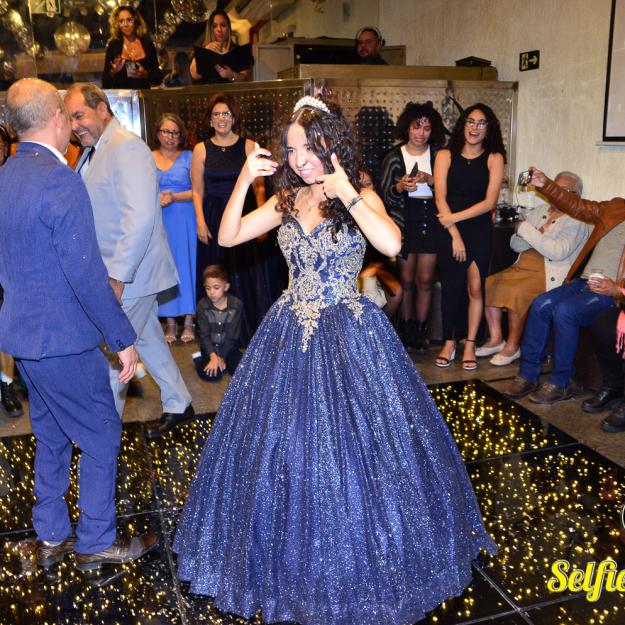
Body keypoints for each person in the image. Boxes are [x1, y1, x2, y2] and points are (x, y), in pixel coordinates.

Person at [174, 96, 496, 625]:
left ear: (332, 144)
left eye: (309, 147)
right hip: (289, 329)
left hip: (349, 331)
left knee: (361, 450)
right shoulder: (287, 197)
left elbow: (390, 243)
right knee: (283, 448)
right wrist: (245, 180)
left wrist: (346, 189)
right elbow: (229, 235)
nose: (300, 159)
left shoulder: (357, 191)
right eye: (292, 150)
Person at [0, 77, 157, 569]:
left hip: (24, 340)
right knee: (101, 435)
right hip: (64, 341)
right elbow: (87, 274)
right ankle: (95, 542)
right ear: (56, 120)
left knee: (50, 434)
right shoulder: (60, 180)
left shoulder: (6, 175)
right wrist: (122, 338)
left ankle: (50, 534)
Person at [64, 83, 194, 438]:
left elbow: (139, 218)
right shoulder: (93, 150)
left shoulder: (127, 148)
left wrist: (118, 277)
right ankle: (179, 402)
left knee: (114, 350)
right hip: (118, 272)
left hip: (131, 274)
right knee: (147, 337)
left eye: (79, 115)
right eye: (69, 118)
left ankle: (102, 433)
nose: (74, 125)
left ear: (102, 108)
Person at [504, 166, 625, 405]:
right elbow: (577, 206)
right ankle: (528, 375)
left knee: (565, 311)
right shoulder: (616, 207)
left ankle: (560, 382)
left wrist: (618, 289)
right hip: (583, 280)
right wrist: (546, 185)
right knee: (540, 304)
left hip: (609, 291)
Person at [477, 171, 589, 366]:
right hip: (523, 265)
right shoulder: (540, 211)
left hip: (548, 272)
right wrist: (532, 234)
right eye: (553, 187)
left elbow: (558, 252)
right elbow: (515, 244)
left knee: (517, 292)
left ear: (575, 195)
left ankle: (513, 346)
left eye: (562, 190)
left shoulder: (576, 219)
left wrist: (528, 232)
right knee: (489, 283)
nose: (554, 192)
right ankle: (496, 338)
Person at [191, 92, 274, 342]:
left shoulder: (249, 146)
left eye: (226, 113)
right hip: (214, 217)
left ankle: (249, 332)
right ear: (210, 120)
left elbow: (259, 188)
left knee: (247, 275)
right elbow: (197, 190)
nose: (221, 118)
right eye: (216, 114)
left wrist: (262, 222)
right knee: (216, 273)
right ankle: (216, 337)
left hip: (243, 216)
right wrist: (200, 221)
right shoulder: (201, 149)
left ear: (233, 117)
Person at [434, 103, 506, 370]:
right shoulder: (445, 155)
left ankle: (470, 344)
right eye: (470, 121)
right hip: (449, 230)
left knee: (475, 288)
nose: (475, 127)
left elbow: (489, 203)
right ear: (463, 124)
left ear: (489, 129)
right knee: (451, 287)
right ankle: (449, 342)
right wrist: (454, 232)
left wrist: (455, 218)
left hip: (478, 229)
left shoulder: (494, 158)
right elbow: (440, 198)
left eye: (481, 123)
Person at [379, 101, 446, 350]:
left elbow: (451, 191)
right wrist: (400, 186)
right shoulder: (394, 157)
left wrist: (431, 180)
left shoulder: (439, 155)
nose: (421, 133)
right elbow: (384, 197)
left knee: (425, 279)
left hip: (432, 219)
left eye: (427, 128)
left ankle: (421, 331)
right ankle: (406, 331)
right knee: (406, 280)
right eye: (416, 127)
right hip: (404, 221)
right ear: (407, 128)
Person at [151, 113, 196, 344]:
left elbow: (199, 191)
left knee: (186, 266)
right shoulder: (148, 157)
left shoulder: (190, 157)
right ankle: (169, 322)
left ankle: (188, 321)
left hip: (185, 217)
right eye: (166, 131)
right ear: (158, 133)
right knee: (165, 267)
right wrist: (155, 198)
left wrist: (174, 197)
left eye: (175, 132)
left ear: (181, 135)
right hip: (160, 218)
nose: (170, 136)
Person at [193, 264, 243, 381]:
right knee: (212, 376)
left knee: (241, 372)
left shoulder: (236, 305)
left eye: (216, 288)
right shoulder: (202, 305)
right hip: (209, 349)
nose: (211, 292)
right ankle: (198, 359)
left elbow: (232, 336)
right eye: (207, 288)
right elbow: (204, 335)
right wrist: (213, 357)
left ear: (226, 287)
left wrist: (222, 357)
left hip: (229, 348)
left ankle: (223, 364)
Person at [102, 5, 161, 90]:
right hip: (121, 97)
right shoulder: (113, 46)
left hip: (143, 95)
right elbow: (105, 83)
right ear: (117, 24)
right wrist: (113, 72)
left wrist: (145, 74)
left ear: (136, 21)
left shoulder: (148, 44)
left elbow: (158, 79)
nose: (126, 24)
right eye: (121, 21)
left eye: (129, 20)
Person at [189, 9, 253, 84]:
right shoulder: (202, 49)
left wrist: (231, 75)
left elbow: (245, 78)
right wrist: (206, 51)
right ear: (210, 29)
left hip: (230, 91)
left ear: (228, 27)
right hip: (209, 91)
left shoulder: (239, 51)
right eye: (214, 26)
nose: (219, 30)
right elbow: (194, 75)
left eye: (223, 25)